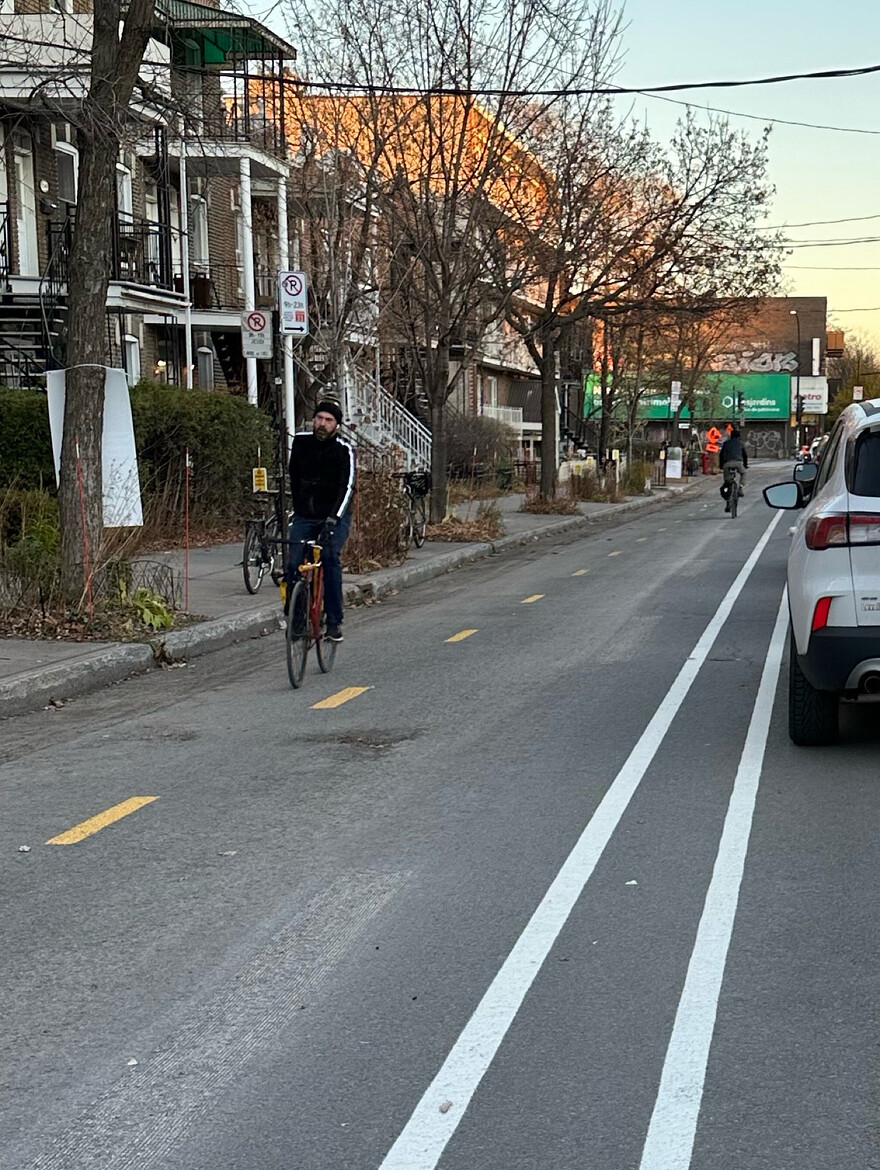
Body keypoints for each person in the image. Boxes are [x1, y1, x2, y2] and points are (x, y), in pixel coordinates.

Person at [287, 400, 355, 642]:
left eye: (329, 420)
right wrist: (296, 511)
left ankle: (334, 621)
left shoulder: (343, 449)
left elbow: (347, 487)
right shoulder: (301, 442)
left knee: (328, 557)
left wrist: (333, 519)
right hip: (305, 516)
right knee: (293, 562)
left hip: (333, 517)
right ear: (313, 419)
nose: (322, 424)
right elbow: (293, 477)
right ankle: (296, 620)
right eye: (319, 418)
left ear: (336, 425)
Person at [719, 428, 748, 513]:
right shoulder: (741, 444)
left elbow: (721, 455)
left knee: (727, 483)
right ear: (738, 437)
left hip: (727, 464)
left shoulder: (726, 444)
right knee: (743, 473)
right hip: (738, 463)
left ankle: (728, 500)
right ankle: (741, 488)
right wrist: (745, 465)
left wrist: (721, 466)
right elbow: (745, 455)